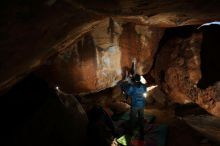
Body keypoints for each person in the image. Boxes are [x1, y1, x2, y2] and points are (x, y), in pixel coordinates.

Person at [119, 74, 147, 140]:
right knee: (141, 118)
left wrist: (126, 80)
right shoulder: (143, 86)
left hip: (135, 105)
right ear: (140, 79)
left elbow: (125, 89)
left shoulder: (132, 87)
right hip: (142, 104)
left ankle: (131, 133)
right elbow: (144, 90)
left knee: (133, 119)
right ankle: (142, 133)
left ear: (134, 79)